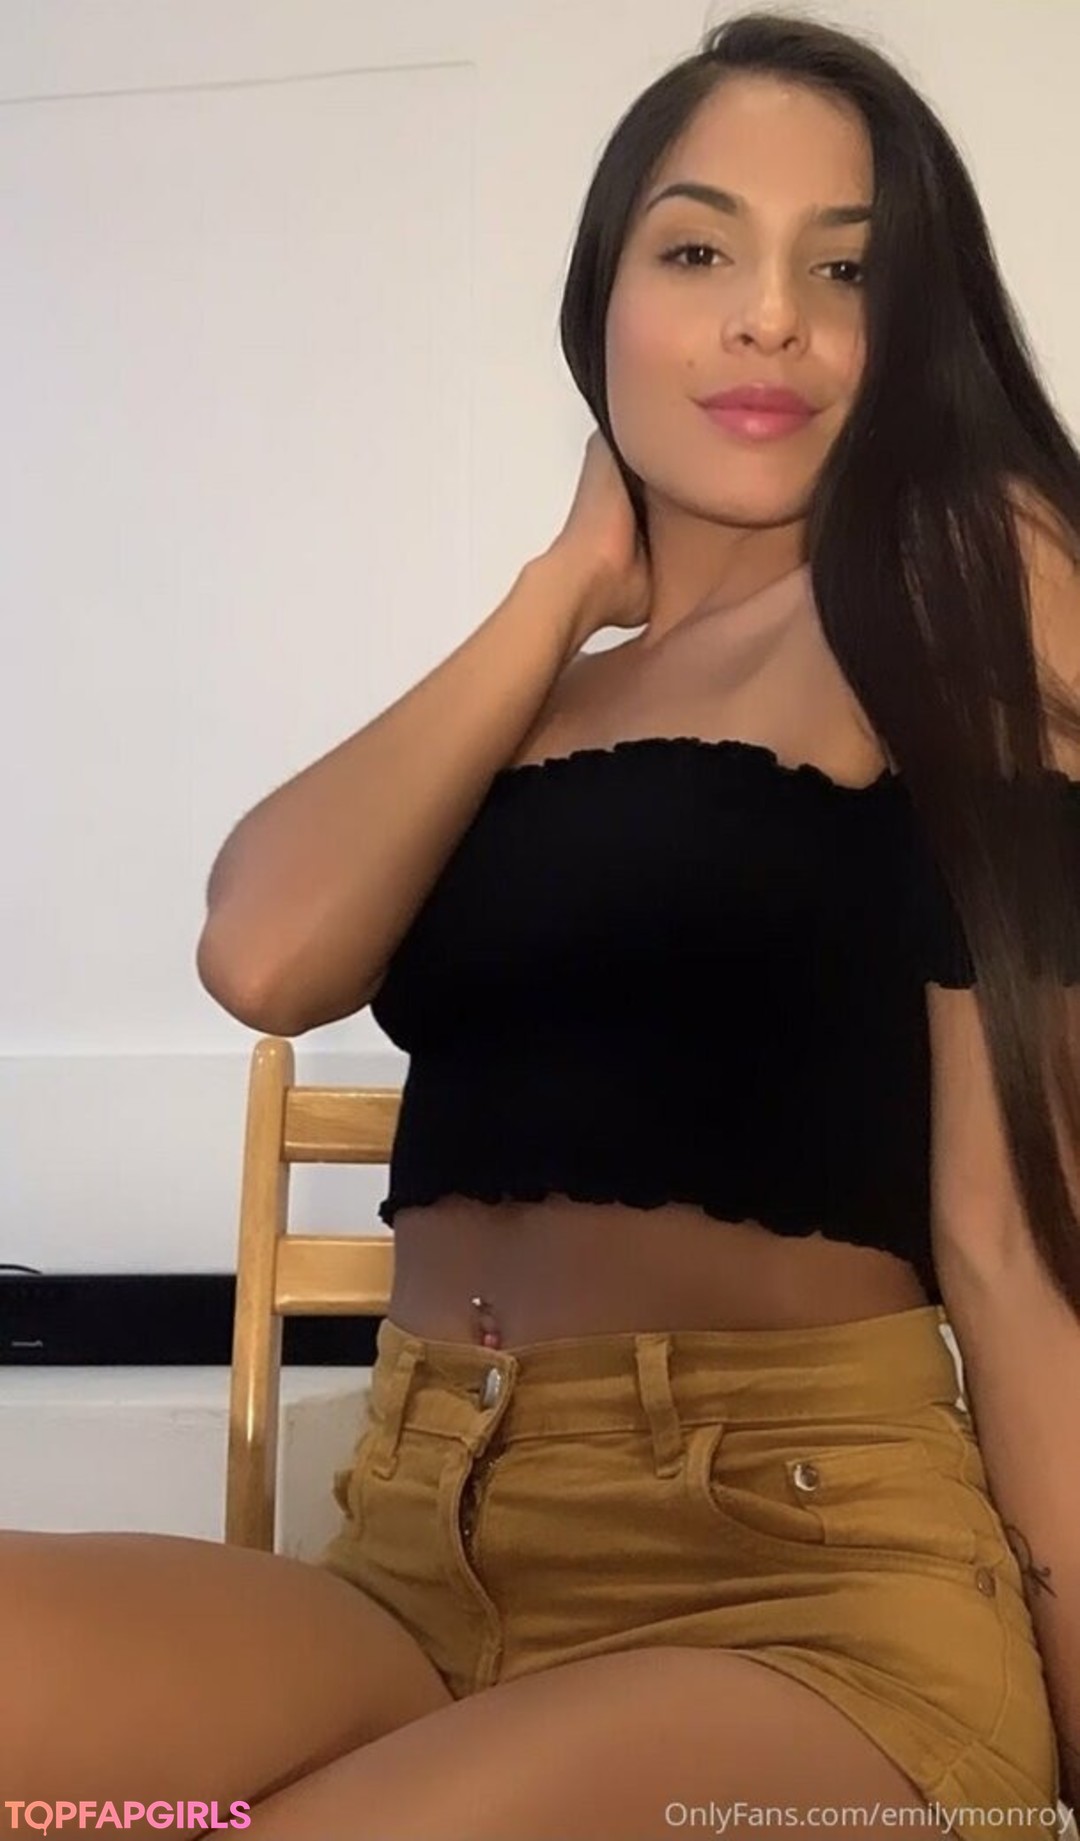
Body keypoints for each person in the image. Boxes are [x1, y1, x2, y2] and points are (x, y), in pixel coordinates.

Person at [9, 13, 1080, 1840]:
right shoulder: (541, 693)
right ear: (603, 302)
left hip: (806, 1594)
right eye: (699, 251)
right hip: (416, 1559)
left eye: (846, 270)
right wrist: (566, 581)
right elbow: (265, 953)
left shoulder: (974, 577)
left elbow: (1011, 1234)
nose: (770, 317)